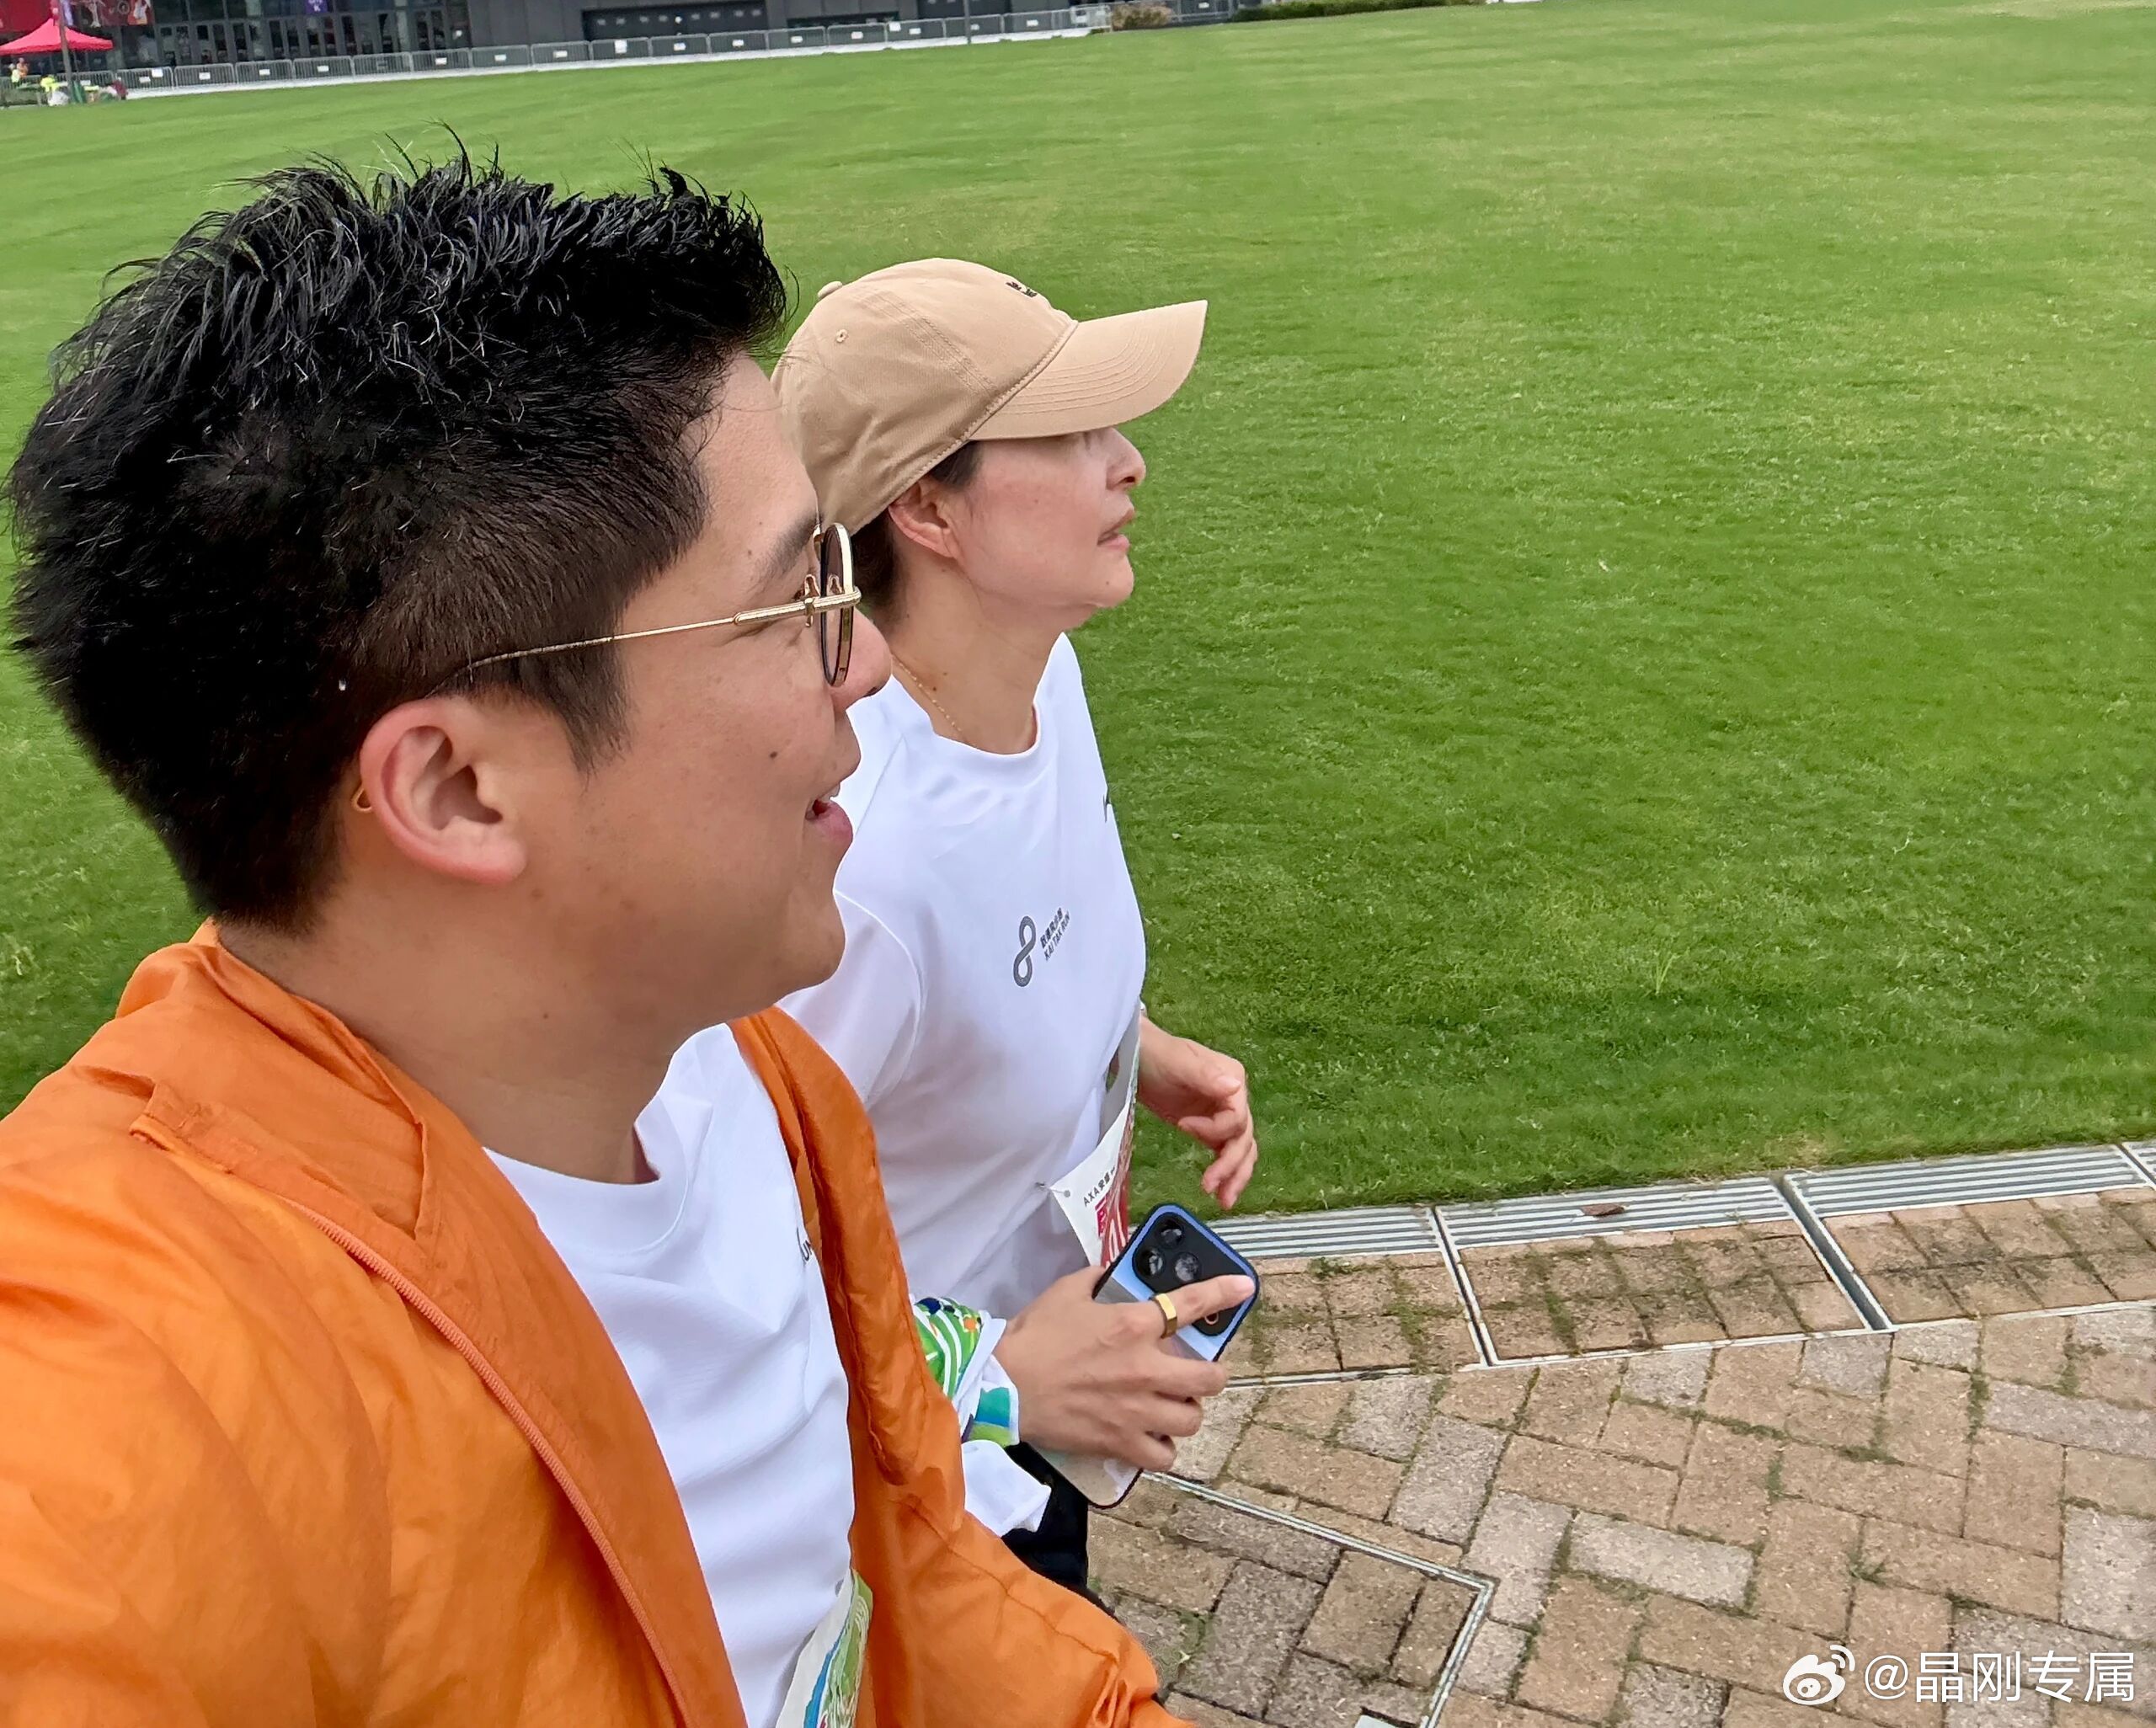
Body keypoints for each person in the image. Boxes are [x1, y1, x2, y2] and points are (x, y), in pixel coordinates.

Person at [0, 161, 1183, 1727]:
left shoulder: (746, 1075)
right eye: (799, 597)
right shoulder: (138, 1411)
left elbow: (906, 1573)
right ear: (458, 787)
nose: (867, 665)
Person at [775, 259, 1257, 1596]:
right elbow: (731, 1283)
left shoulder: (1045, 678)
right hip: (928, 1501)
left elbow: (1005, 951)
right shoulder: (853, 870)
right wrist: (1001, 1381)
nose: (1131, 461)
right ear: (929, 505)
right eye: (1074, 432)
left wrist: (1129, 1046)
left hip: (1045, 1400)